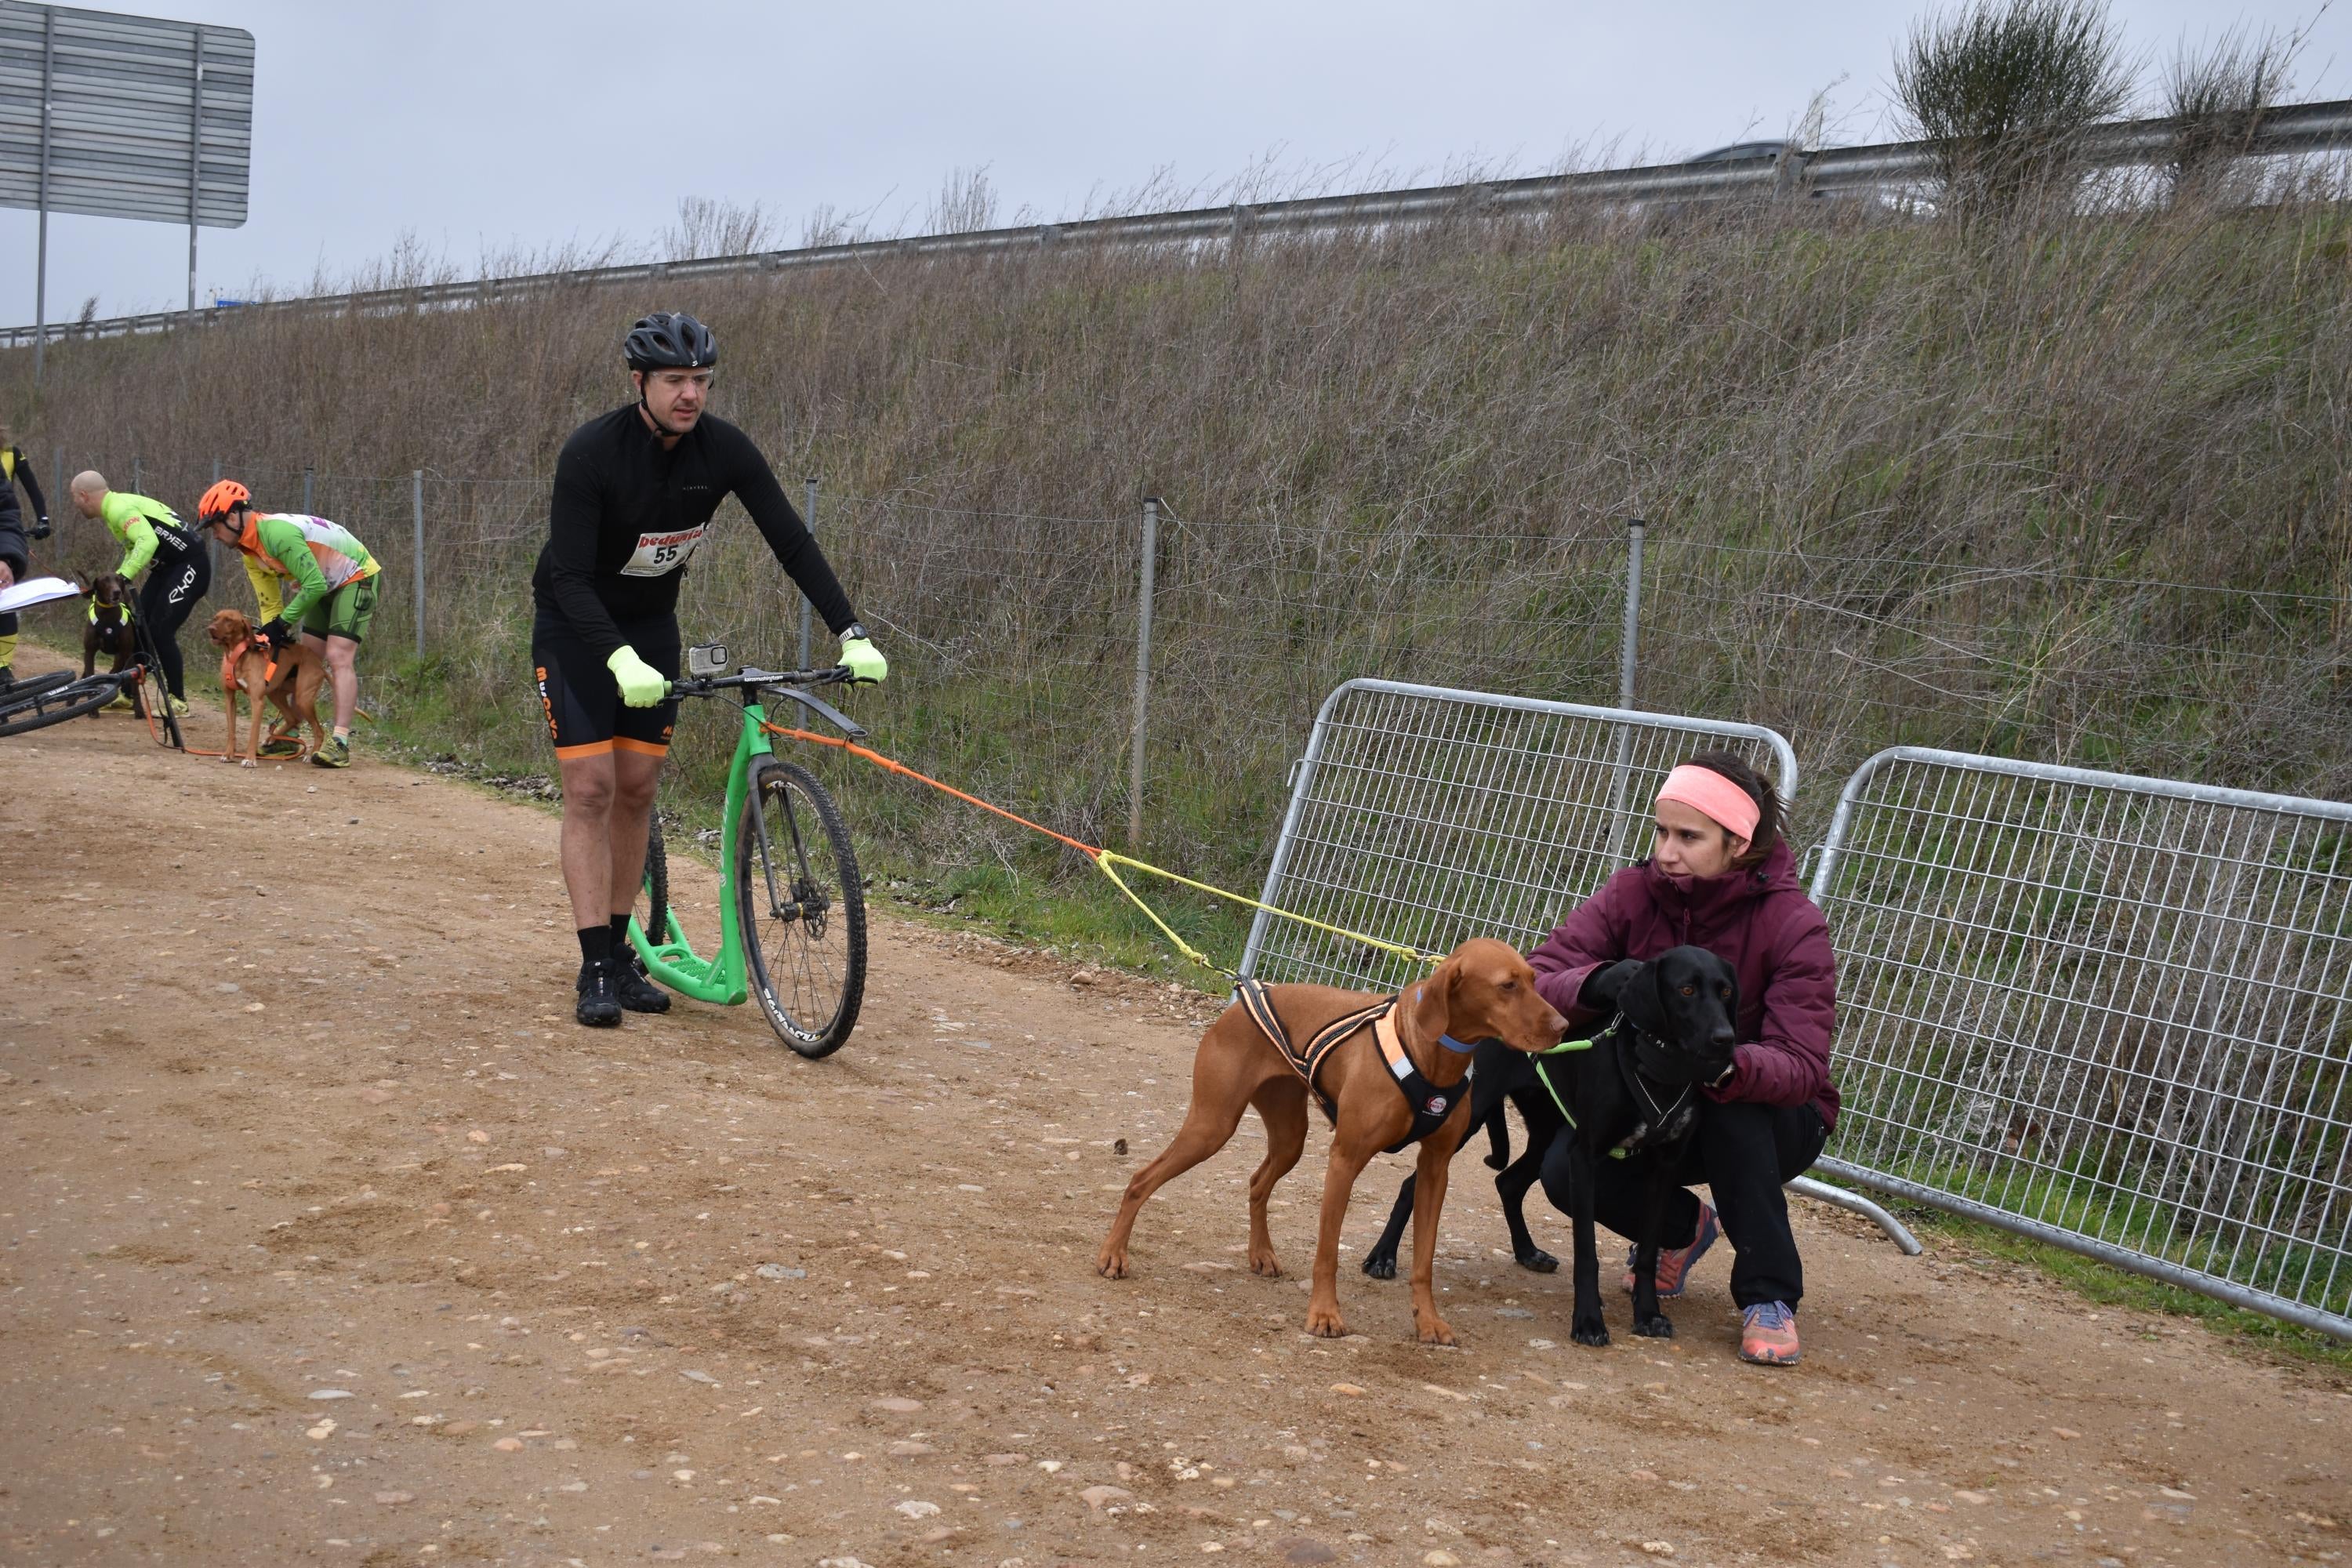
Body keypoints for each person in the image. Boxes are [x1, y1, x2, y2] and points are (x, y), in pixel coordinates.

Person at [532, 310, 887, 1028]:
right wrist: (615, 655)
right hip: (577, 632)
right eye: (674, 381)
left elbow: (790, 539)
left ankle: (624, 944)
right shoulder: (592, 453)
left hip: (652, 630)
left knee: (637, 789)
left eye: (701, 380)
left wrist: (850, 630)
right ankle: (595, 962)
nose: (690, 394)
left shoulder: (723, 452)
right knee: (592, 788)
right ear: (640, 383)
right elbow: (568, 575)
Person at [1526, 751, 1838, 1367]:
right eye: (1661, 831)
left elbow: (1802, 1064)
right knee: (1564, 1169)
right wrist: (1600, 982)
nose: (1666, 852)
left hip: (1774, 1117)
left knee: (1734, 1112)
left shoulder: (1793, 924)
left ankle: (1769, 1295)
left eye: (1688, 837)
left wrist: (1723, 1067)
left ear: (1739, 843)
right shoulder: (1631, 893)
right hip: (1654, 1097)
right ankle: (1681, 1231)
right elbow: (1538, 979)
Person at [196, 481, 380, 769]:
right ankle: (291, 730)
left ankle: (339, 742)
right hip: (321, 584)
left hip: (355, 576)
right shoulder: (249, 552)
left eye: (214, 527)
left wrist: (282, 624)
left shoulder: (276, 534)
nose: (215, 536)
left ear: (232, 517)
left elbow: (314, 584)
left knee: (339, 655)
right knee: (306, 656)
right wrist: (272, 636)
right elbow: (270, 605)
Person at [70, 471, 208, 716]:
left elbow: (148, 541)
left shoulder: (118, 509)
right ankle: (127, 693)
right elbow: (135, 548)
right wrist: (118, 580)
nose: (75, 505)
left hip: (190, 564)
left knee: (161, 630)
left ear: (84, 496)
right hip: (167, 567)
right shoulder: (115, 509)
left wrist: (122, 578)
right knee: (138, 626)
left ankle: (178, 700)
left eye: (75, 499)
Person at [0, 423, 49, 689]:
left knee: (3, 594)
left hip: (5, 530)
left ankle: (2, 669)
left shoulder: (12, 454)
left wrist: (6, 559)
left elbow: (30, 489)